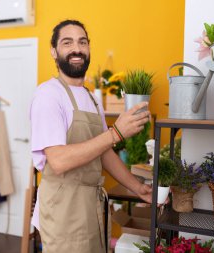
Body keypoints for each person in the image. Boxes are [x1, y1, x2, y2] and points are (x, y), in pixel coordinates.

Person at [30, 19, 153, 253]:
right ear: (54, 52)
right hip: (63, 210)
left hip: (91, 207)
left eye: (82, 42)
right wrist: (115, 133)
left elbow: (104, 152)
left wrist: (138, 188)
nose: (76, 48)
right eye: (67, 42)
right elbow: (58, 160)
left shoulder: (91, 98)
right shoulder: (48, 95)